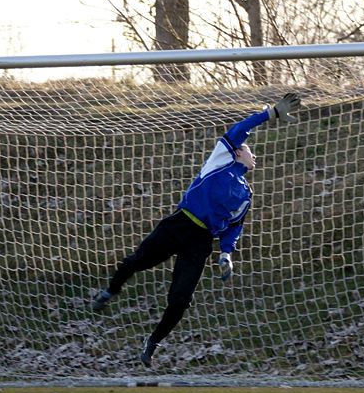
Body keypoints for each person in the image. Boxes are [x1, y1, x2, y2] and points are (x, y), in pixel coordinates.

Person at [92, 93, 302, 367]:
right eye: (250, 151)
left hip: (201, 242)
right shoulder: (221, 161)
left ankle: (152, 343)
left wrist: (226, 254)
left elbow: (234, 227)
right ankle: (110, 291)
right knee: (136, 262)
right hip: (179, 224)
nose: (255, 155)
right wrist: (270, 113)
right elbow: (240, 129)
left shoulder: (246, 194)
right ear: (237, 152)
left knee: (180, 300)